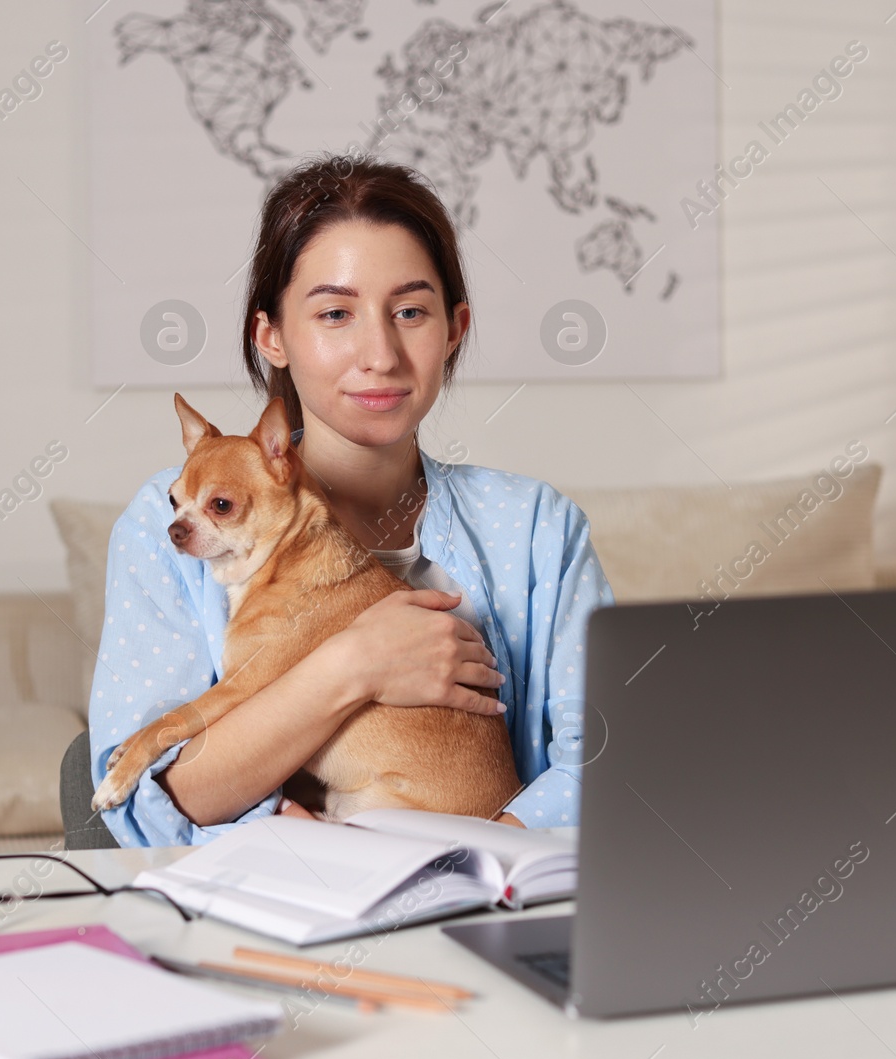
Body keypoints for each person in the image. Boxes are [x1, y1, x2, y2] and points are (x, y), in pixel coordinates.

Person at [89, 152, 615, 848]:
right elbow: (151, 802)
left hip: (488, 910)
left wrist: (471, 864)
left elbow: (610, 762)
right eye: (335, 313)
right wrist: (353, 664)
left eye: (410, 310)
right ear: (270, 335)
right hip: (269, 917)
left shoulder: (535, 531)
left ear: (455, 328)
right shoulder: (173, 531)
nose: (381, 352)